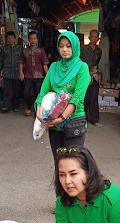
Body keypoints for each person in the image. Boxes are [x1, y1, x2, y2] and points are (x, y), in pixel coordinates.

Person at [34, 31, 90, 159]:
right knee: (59, 165)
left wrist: (62, 118)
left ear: (75, 47)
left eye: (68, 46)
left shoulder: (82, 68)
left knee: (74, 164)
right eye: (61, 46)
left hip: (74, 122)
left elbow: (77, 98)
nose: (64, 49)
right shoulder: (54, 67)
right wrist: (39, 113)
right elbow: (43, 92)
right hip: (54, 123)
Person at [19, 31, 49, 117]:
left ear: (37, 39)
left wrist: (47, 75)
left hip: (39, 75)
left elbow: (44, 64)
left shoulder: (41, 51)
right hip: (28, 75)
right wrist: (20, 72)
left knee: (38, 93)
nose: (33, 40)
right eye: (31, 39)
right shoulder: (24, 51)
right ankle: (29, 107)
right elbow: (21, 62)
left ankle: (37, 110)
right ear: (28, 39)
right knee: (26, 93)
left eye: (34, 38)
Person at [81, 29, 102, 126]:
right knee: (84, 97)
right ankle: (81, 119)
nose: (94, 38)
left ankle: (94, 120)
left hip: (94, 76)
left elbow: (97, 63)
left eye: (96, 37)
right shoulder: (83, 49)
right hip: (83, 76)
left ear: (98, 39)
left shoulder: (99, 51)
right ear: (89, 38)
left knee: (93, 98)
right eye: (92, 36)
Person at [0, 31, 23, 113]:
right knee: (6, 90)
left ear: (14, 39)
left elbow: (22, 61)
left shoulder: (19, 48)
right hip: (7, 72)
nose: (10, 40)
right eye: (8, 38)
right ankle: (6, 106)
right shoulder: (4, 48)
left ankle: (16, 105)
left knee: (16, 90)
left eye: (12, 38)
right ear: (6, 39)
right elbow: (1, 60)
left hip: (16, 72)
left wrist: (22, 71)